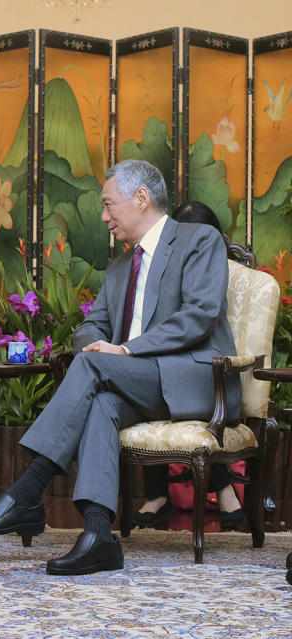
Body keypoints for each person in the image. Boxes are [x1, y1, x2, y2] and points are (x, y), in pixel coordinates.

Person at [0, 160, 241, 575]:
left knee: (94, 369)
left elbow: (199, 314)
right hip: (136, 383)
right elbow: (91, 326)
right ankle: (97, 536)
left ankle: (28, 492)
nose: (104, 216)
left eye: (109, 204)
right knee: (102, 401)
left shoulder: (199, 240)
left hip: (195, 378)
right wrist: (98, 346)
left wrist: (124, 352)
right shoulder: (122, 265)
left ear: (141, 198)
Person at [132, 200, 244, 529]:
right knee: (152, 382)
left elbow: (198, 323)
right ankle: (158, 495)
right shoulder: (158, 268)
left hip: (210, 368)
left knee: (182, 383)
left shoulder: (211, 268)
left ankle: (221, 486)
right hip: (167, 363)